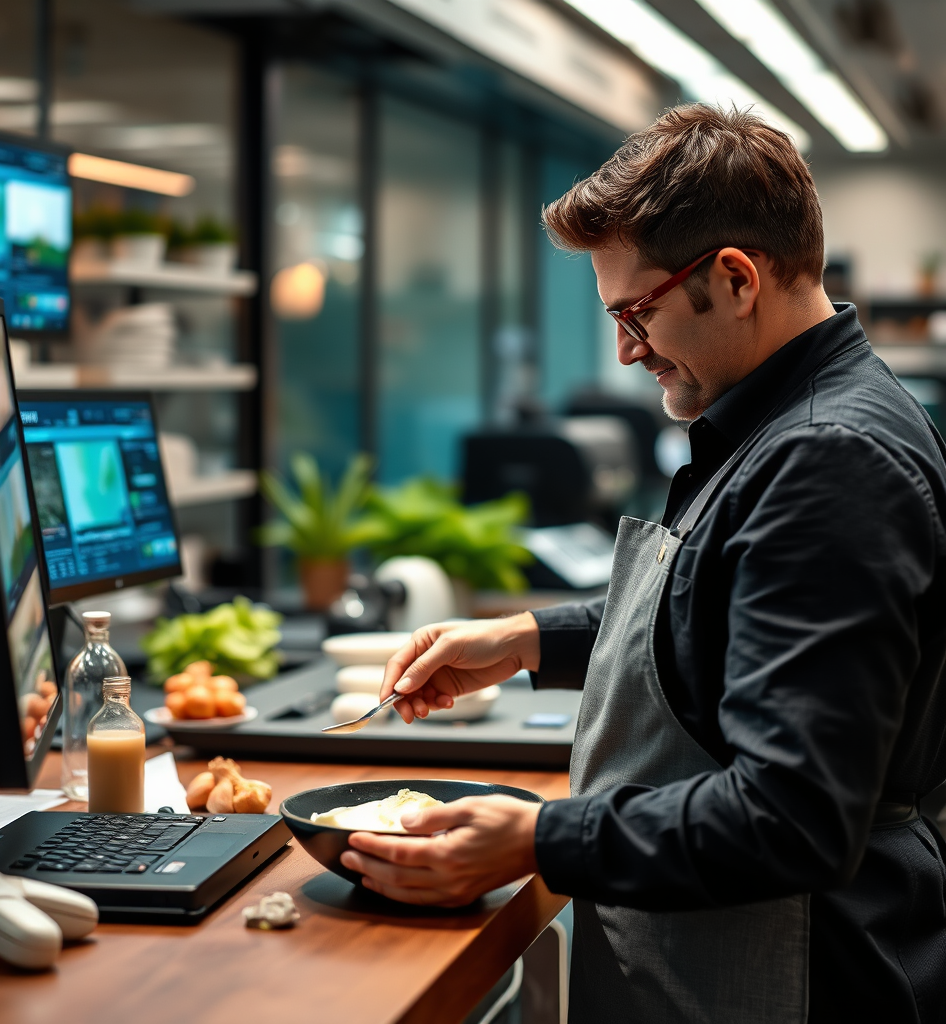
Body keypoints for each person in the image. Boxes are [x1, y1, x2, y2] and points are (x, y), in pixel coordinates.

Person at [339, 104, 946, 1023]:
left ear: (736, 279)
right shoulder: (778, 421)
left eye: (636, 312)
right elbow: (718, 609)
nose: (627, 349)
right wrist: (530, 638)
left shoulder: (830, 458)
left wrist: (539, 836)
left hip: (801, 971)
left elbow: (794, 815)